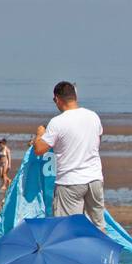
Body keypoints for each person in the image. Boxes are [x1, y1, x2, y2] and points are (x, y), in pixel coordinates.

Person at [32, 81, 105, 231]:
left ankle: (72, 255)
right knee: (98, 227)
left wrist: (40, 134)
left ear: (58, 99)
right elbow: (98, 140)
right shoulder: (93, 116)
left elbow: (39, 149)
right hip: (95, 179)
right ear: (75, 96)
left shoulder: (58, 122)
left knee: (67, 228)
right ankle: (100, 254)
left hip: (70, 181)